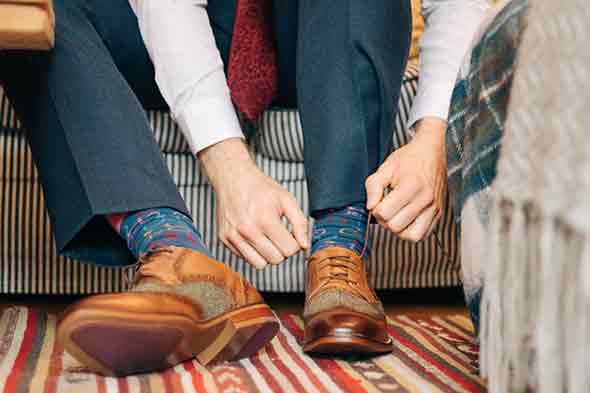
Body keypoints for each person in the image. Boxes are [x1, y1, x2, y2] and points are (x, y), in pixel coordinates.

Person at [0, 0, 487, 376]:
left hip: (317, 40)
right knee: (33, 8)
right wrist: (229, 166)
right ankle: (177, 258)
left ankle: (339, 254)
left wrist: (434, 137)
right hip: (181, 32)